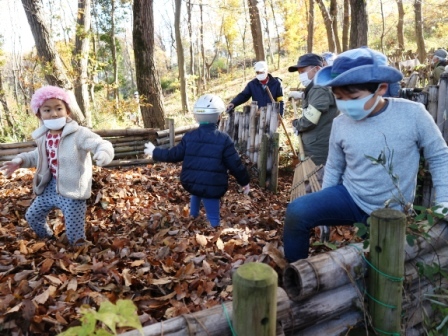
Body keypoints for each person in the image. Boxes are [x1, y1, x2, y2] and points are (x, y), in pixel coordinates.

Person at [283, 47, 448, 263]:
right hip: (351, 197)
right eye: (339, 97)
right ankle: (296, 273)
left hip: (394, 207)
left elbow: (439, 156)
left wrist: (443, 202)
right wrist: (323, 210)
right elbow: (334, 166)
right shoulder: (340, 123)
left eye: (353, 96)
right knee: (298, 210)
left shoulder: (413, 114)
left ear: (381, 88)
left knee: (381, 262)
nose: (346, 104)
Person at [0, 86, 115, 245]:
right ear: (39, 114)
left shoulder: (78, 133)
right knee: (33, 216)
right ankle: (49, 240)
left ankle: (78, 257)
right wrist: (19, 161)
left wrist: (103, 153)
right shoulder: (44, 136)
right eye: (47, 110)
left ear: (67, 111)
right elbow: (37, 155)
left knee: (75, 234)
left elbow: (100, 143)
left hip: (72, 190)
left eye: (58, 108)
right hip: (49, 187)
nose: (53, 113)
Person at [144, 94, 250, 228]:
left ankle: (193, 216)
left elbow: (173, 155)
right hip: (212, 184)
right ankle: (214, 226)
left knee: (197, 189)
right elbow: (235, 164)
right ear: (218, 117)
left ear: (197, 117)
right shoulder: (224, 139)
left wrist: (155, 151)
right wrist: (244, 181)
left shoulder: (189, 136)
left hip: (191, 181)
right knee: (209, 197)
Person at [288, 53, 339, 168]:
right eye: (299, 72)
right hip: (316, 145)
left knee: (318, 182)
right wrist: (302, 95)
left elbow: (310, 119)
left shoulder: (319, 88)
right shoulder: (317, 87)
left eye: (303, 71)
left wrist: (296, 124)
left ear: (316, 69)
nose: (301, 75)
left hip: (318, 151)